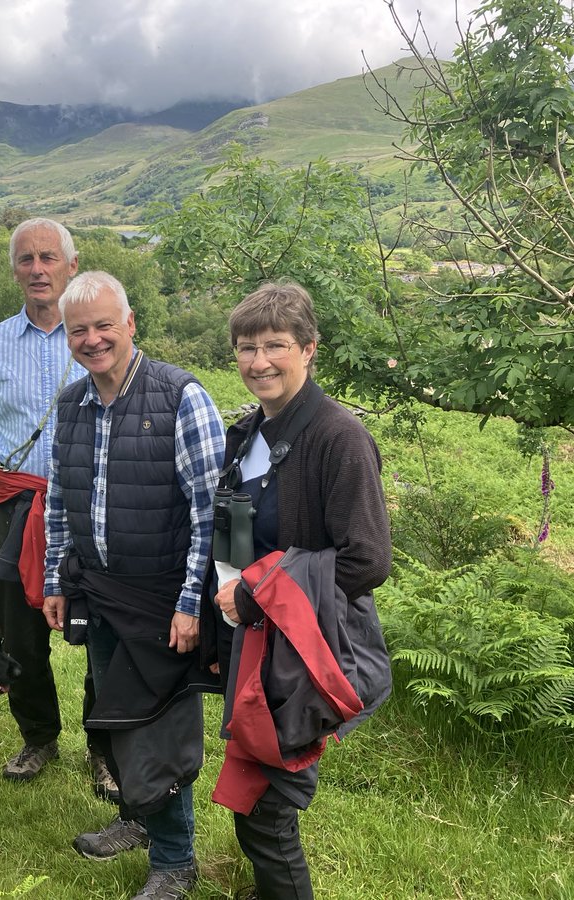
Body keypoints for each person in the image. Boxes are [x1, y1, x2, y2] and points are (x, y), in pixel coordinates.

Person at [43, 271, 226, 900]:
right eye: (78, 330)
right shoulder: (70, 404)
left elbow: (212, 510)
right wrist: (55, 579)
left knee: (161, 723)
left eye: (103, 325)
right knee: (116, 710)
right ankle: (134, 820)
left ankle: (176, 860)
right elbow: (61, 503)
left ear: (130, 325)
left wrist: (190, 601)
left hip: (162, 596)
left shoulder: (181, 397)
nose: (92, 339)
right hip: (99, 589)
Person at [210, 280, 392, 900]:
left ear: (310, 349)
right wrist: (231, 596)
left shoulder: (338, 438)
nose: (258, 361)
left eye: (275, 345)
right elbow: (238, 525)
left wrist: (257, 596)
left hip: (307, 651)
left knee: (266, 804)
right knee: (254, 799)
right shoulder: (249, 432)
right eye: (246, 347)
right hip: (257, 639)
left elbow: (366, 561)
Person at [0, 218, 117, 798]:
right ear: (14, 270)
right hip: (14, 505)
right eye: (26, 259)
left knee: (100, 626)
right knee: (20, 635)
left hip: (85, 507)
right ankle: (38, 735)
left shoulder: (98, 337)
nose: (37, 269)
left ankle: (104, 747)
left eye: (48, 258)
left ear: (71, 266)